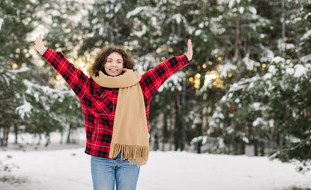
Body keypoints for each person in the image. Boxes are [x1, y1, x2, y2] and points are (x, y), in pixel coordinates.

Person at [34, 35, 193, 190]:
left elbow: (161, 71)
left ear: (124, 65)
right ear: (102, 64)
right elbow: (68, 70)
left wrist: (184, 58)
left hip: (129, 157)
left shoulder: (140, 86)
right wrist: (45, 51)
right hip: (101, 157)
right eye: (109, 61)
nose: (114, 65)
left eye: (118, 61)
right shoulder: (90, 87)